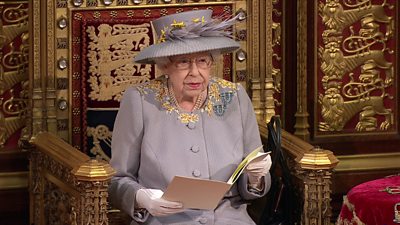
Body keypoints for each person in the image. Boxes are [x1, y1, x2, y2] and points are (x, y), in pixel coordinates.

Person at [109, 9, 272, 225]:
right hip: (166, 220)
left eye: (202, 61)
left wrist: (255, 177)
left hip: (229, 219)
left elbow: (253, 179)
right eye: (183, 62)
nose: (195, 72)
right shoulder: (140, 101)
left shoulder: (234, 97)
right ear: (165, 65)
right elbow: (117, 180)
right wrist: (140, 198)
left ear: (211, 63)